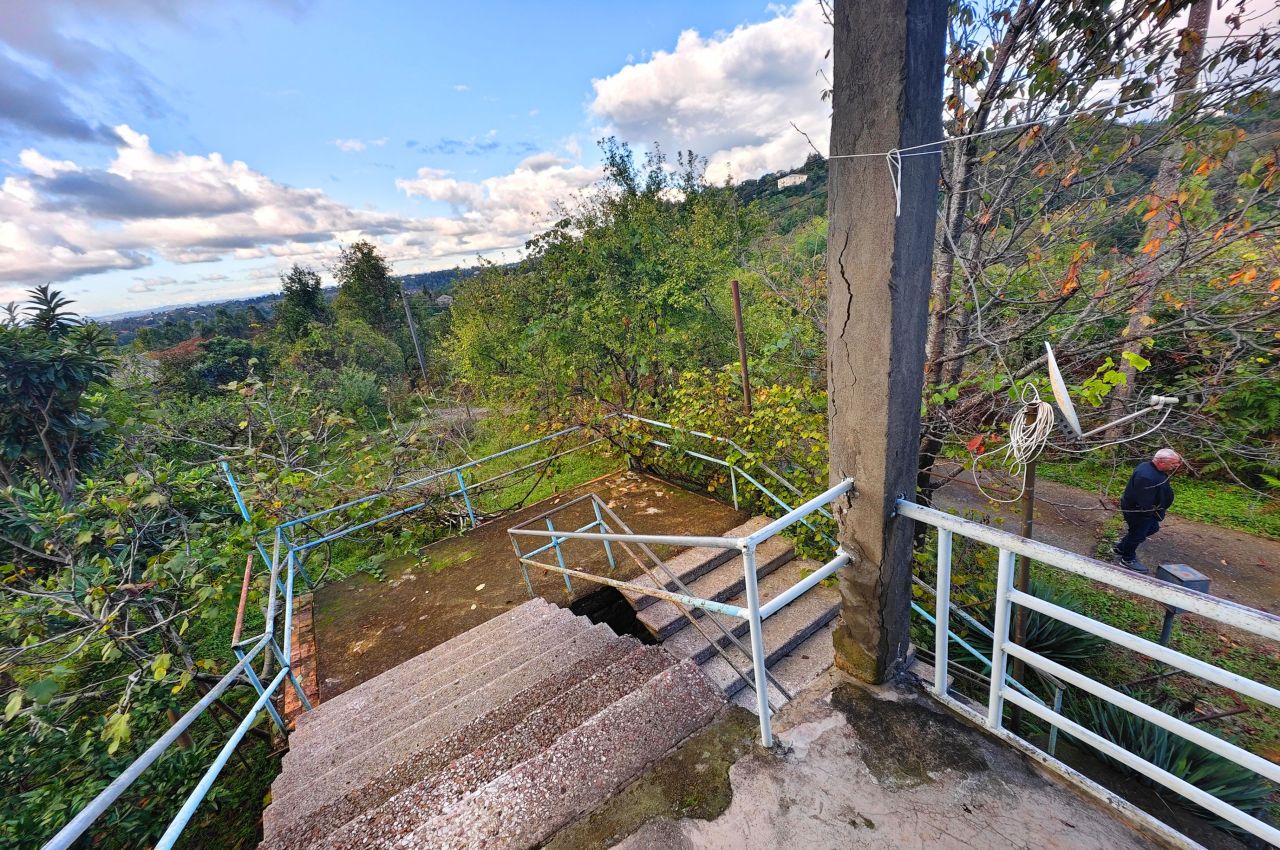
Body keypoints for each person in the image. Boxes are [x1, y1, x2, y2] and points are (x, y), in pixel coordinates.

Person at [1113, 448, 1181, 573]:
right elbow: (1144, 501)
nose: (1176, 465)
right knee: (1137, 534)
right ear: (1161, 462)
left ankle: (1122, 547)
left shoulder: (1149, 467)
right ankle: (1127, 559)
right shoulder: (1146, 477)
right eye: (1173, 463)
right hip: (1138, 512)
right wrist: (1150, 514)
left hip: (1143, 510)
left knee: (1152, 528)